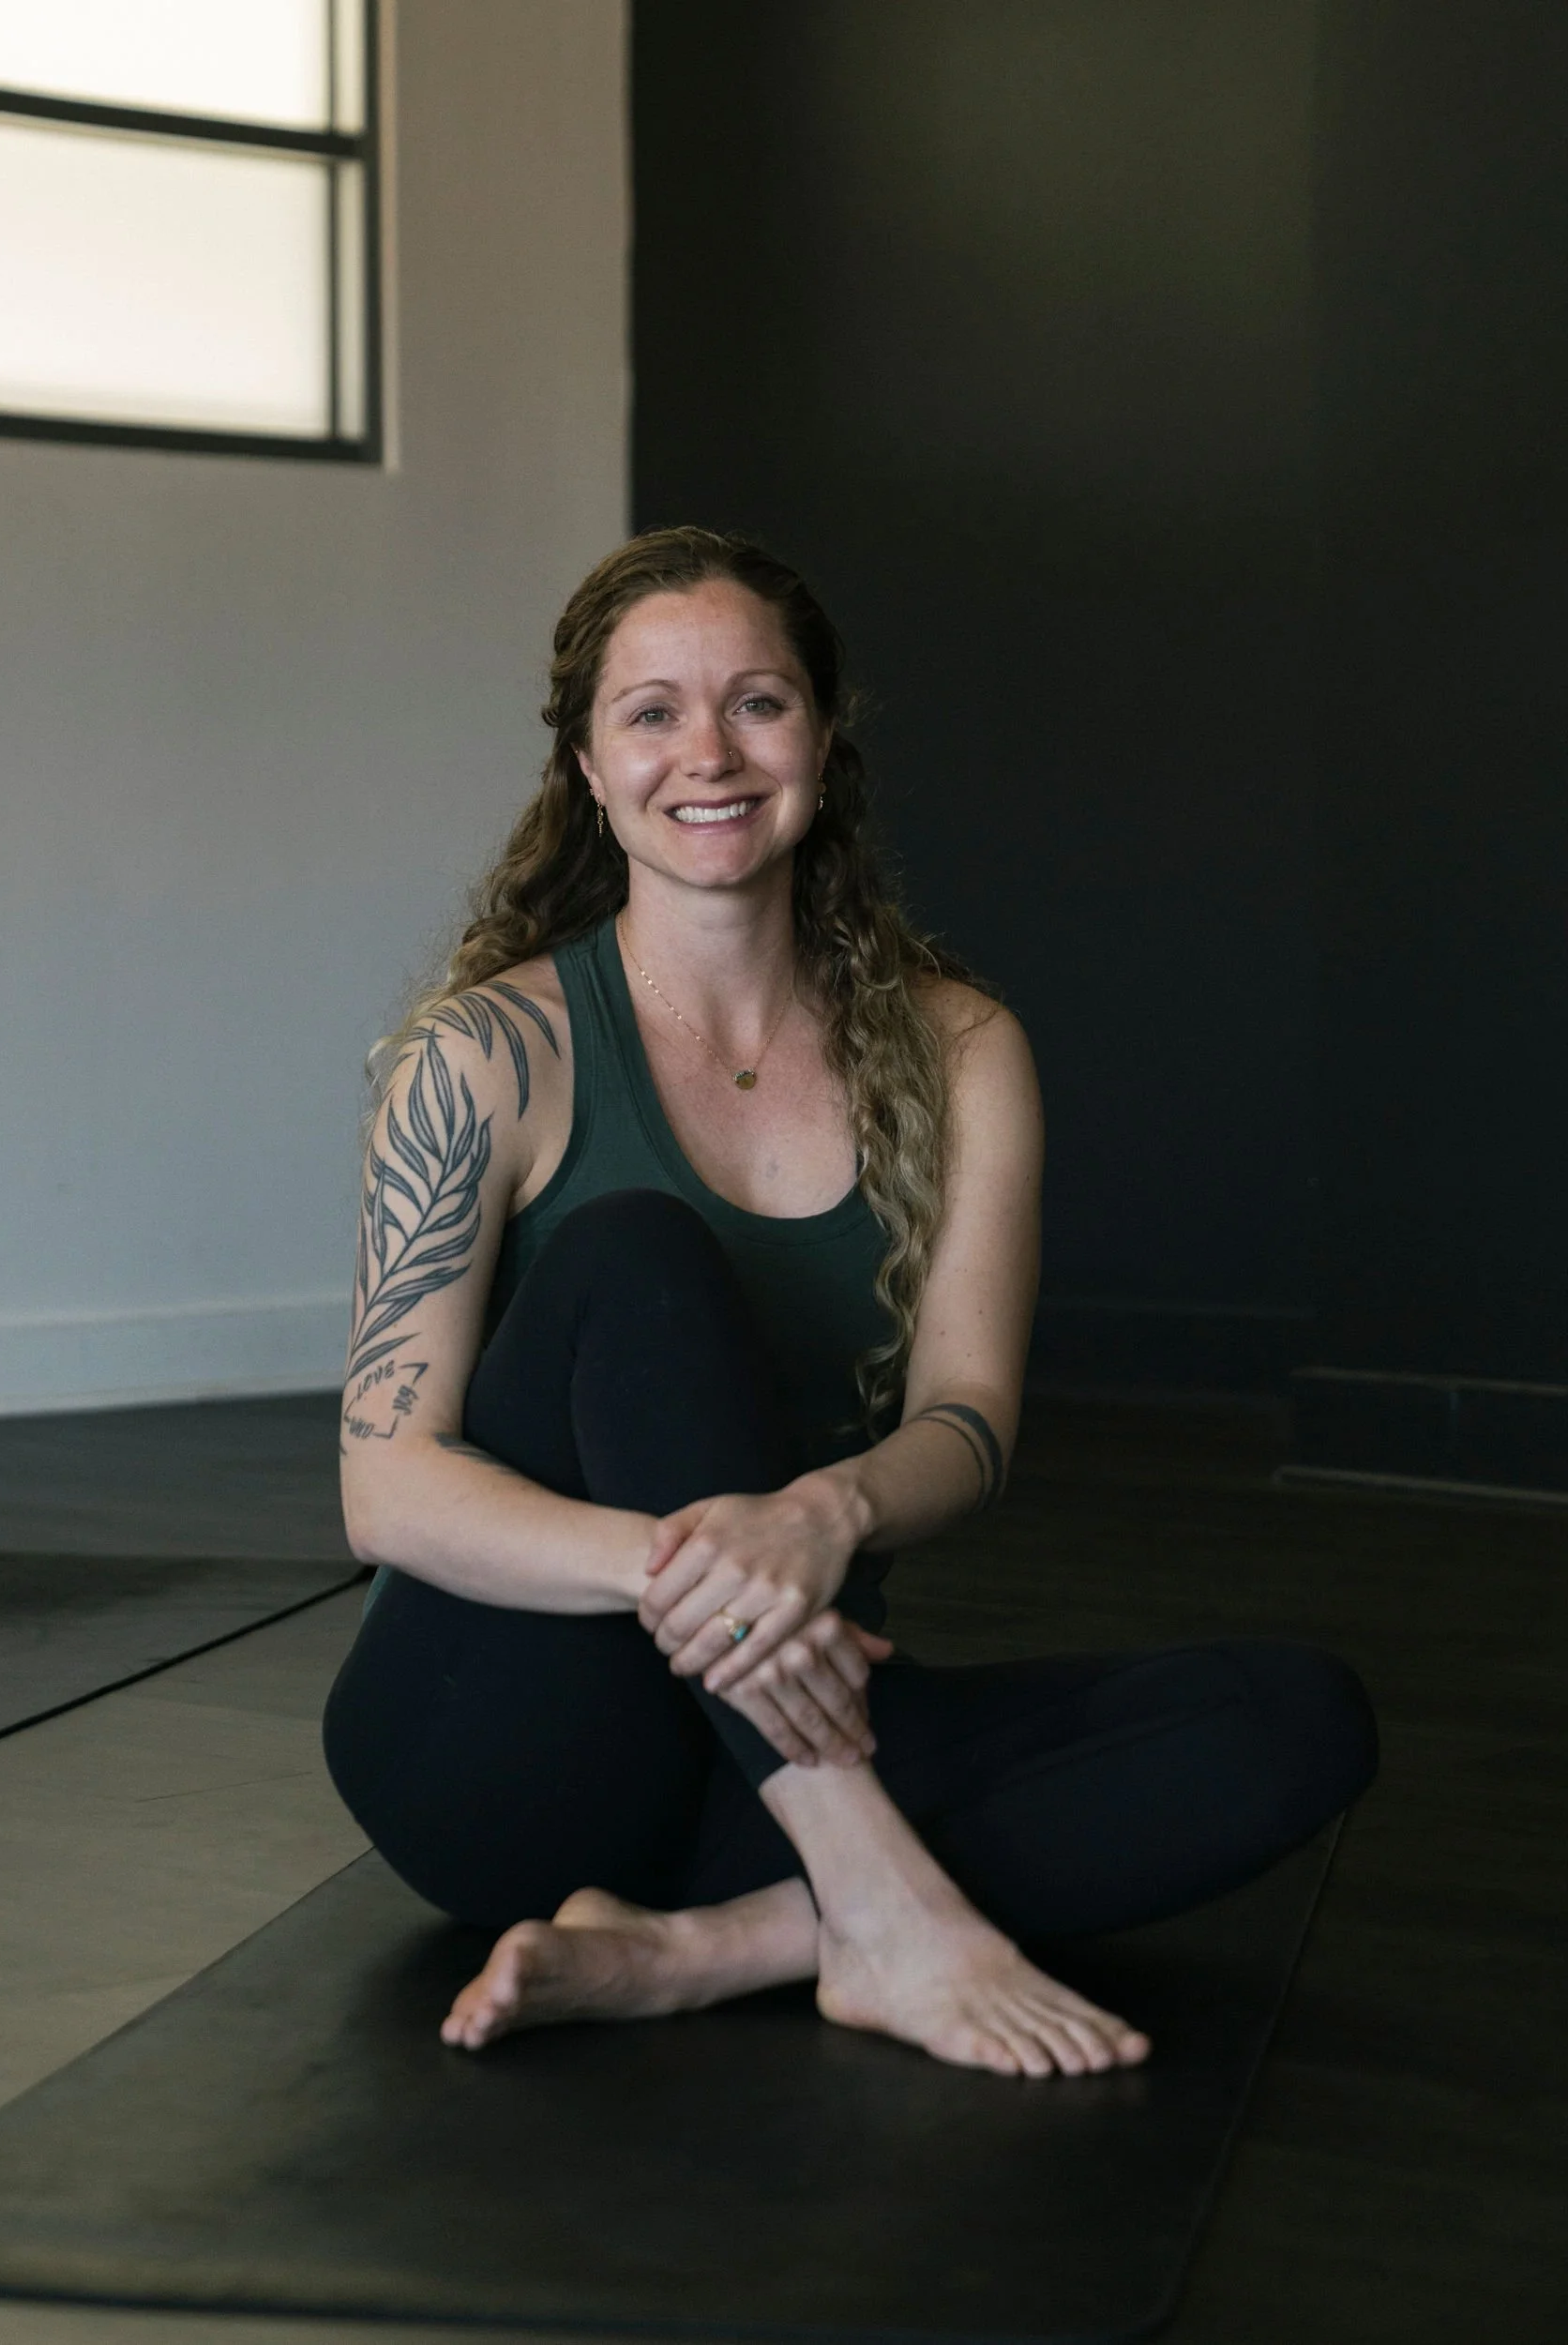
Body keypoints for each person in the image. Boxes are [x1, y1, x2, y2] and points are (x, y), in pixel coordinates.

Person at [323, 527, 1375, 2080]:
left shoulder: (961, 1051)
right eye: (653, 712)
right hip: (507, 1753)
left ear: (823, 735)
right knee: (632, 1259)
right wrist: (707, 1575)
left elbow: (971, 1420)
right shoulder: (484, 1056)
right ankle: (869, 1888)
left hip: (802, 1732)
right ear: (588, 765)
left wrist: (822, 1517)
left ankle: (723, 1942)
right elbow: (384, 1487)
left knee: (1299, 1720)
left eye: (757, 703)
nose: (711, 753)